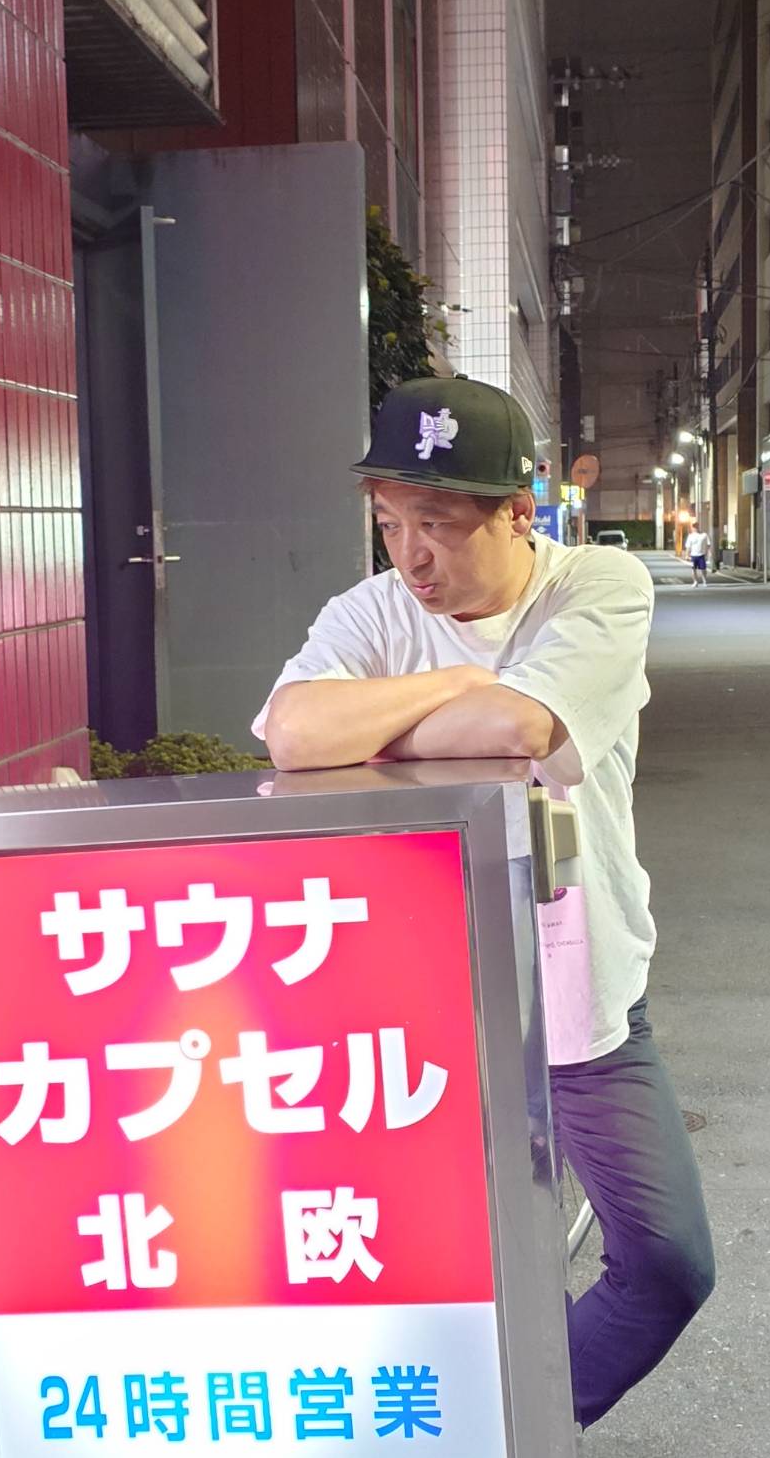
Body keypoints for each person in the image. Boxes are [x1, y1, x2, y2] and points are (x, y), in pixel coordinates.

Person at [252, 376, 714, 1432]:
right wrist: (461, 688)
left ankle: (509, 1427)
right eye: (390, 523)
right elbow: (294, 734)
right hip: (412, 1013)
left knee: (666, 1262)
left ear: (516, 511)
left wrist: (387, 727)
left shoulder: (596, 585)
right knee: (430, 1268)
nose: (411, 556)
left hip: (578, 996)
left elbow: (522, 729)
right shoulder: (369, 611)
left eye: (438, 524)